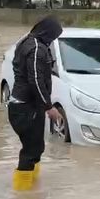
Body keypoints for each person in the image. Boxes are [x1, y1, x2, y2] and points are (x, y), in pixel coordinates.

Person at [8, 16, 63, 186]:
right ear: (47, 33)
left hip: (26, 106)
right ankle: (23, 197)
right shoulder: (36, 49)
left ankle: (33, 190)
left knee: (36, 148)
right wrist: (49, 107)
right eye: (53, 36)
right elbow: (36, 81)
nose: (53, 40)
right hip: (25, 108)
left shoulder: (26, 42)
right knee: (31, 151)